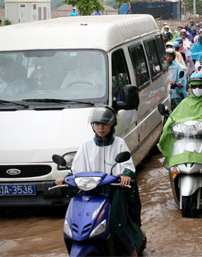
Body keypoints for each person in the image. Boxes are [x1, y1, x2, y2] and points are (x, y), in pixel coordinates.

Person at [55, 107, 144, 256]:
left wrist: (126, 175)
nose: (100, 127)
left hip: (115, 191)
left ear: (111, 125)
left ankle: (132, 254)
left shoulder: (119, 144)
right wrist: (65, 178)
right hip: (91, 192)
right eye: (96, 124)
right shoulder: (86, 145)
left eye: (104, 124)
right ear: (92, 125)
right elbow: (76, 169)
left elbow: (127, 166)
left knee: (116, 226)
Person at [158, 72, 202, 175]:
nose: (197, 88)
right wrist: (169, 125)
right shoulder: (184, 103)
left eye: (200, 86)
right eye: (194, 86)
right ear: (190, 87)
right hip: (185, 143)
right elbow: (173, 119)